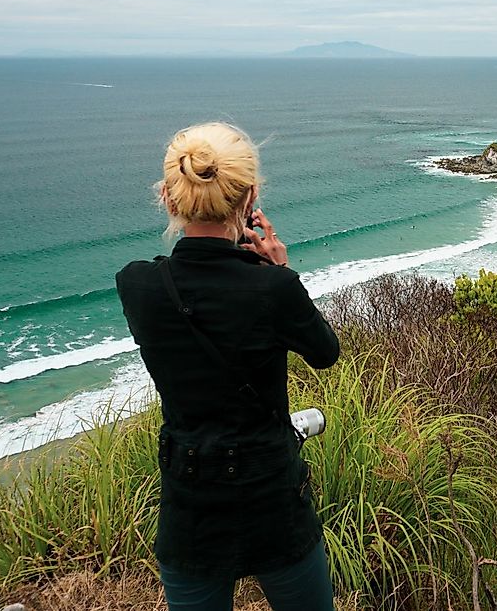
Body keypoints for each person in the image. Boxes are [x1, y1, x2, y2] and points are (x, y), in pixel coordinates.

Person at [116, 122, 340, 611]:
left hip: (191, 500)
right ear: (251, 196)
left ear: (171, 200)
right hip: (273, 495)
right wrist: (280, 272)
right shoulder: (271, 290)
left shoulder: (137, 286)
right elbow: (325, 352)